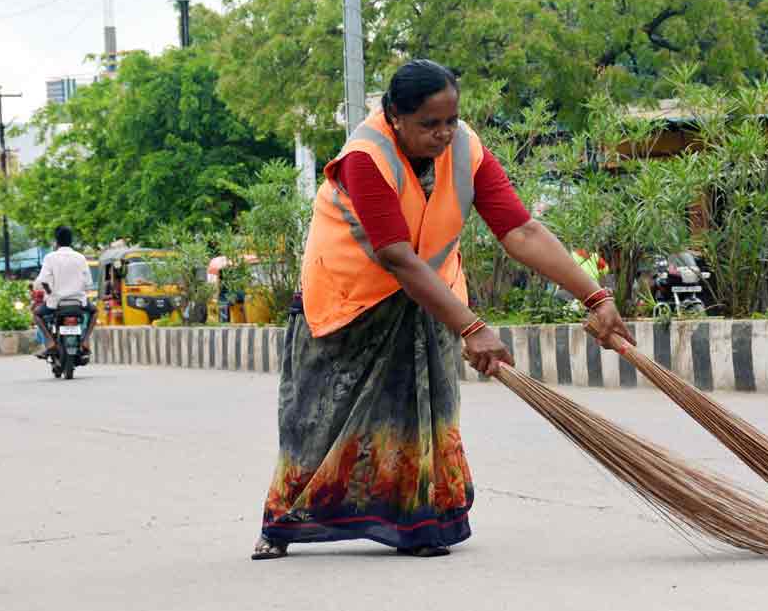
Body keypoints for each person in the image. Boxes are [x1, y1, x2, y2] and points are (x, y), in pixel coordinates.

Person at [252, 59, 633, 561]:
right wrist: (472, 328)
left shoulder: (465, 148)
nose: (444, 133)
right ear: (394, 116)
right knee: (318, 419)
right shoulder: (365, 157)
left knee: (422, 414)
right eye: (429, 124)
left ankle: (419, 523)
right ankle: (283, 524)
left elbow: (520, 230)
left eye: (451, 120)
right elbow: (396, 256)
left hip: (428, 293)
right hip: (349, 299)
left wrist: (596, 297)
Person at [32, 226, 97, 357]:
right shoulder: (80, 257)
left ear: (56, 242)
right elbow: (88, 282)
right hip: (78, 302)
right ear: (71, 241)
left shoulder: (50, 257)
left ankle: (50, 342)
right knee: (95, 312)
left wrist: (50, 292)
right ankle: (85, 341)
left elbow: (43, 281)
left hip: (56, 303)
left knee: (36, 315)